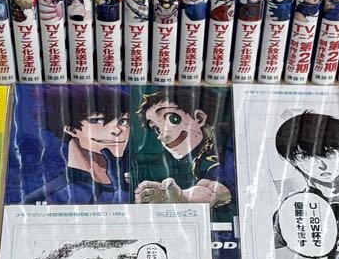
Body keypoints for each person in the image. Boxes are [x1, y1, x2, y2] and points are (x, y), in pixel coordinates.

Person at [271, 110, 339, 259]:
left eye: (329, 153)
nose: (321, 165)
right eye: (306, 157)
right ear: (293, 161)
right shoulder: (290, 211)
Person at [133, 88, 234, 221]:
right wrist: (178, 197)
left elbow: (217, 191)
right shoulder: (202, 157)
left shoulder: (225, 142)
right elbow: (210, 188)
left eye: (172, 119)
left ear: (199, 118)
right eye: (157, 128)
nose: (161, 136)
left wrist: (182, 197)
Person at [21, 85, 130, 204]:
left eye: (123, 121)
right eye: (98, 120)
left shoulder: (134, 184)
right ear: (70, 128)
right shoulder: (46, 198)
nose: (117, 130)